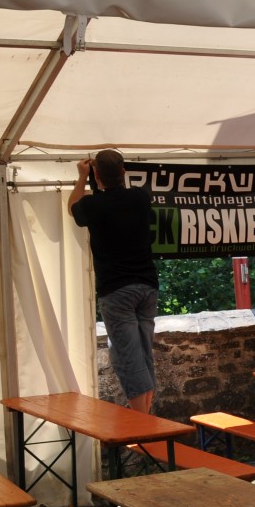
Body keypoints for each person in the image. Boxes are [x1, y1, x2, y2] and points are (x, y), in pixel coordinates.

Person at [68, 149, 159, 413]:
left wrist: (82, 177)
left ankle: (141, 421)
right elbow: (114, 196)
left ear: (96, 175)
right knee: (143, 353)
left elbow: (73, 208)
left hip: (116, 290)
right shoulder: (140, 197)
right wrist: (97, 177)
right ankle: (146, 415)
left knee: (127, 357)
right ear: (124, 172)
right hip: (147, 285)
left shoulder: (93, 206)